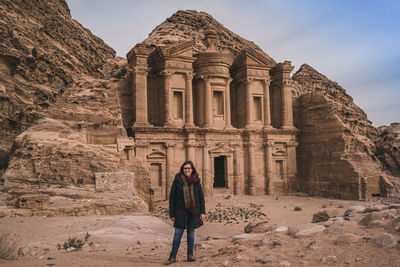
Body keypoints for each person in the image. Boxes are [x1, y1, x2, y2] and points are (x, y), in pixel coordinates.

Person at [165, 160, 205, 265]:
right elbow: (172, 197)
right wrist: (172, 214)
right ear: (182, 170)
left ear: (192, 170)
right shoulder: (177, 179)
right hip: (180, 212)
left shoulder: (196, 180)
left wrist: (202, 212)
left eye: (189, 168)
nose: (187, 170)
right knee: (177, 234)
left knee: (191, 234)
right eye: (185, 168)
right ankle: (172, 256)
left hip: (193, 211)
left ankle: (190, 255)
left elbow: (200, 196)